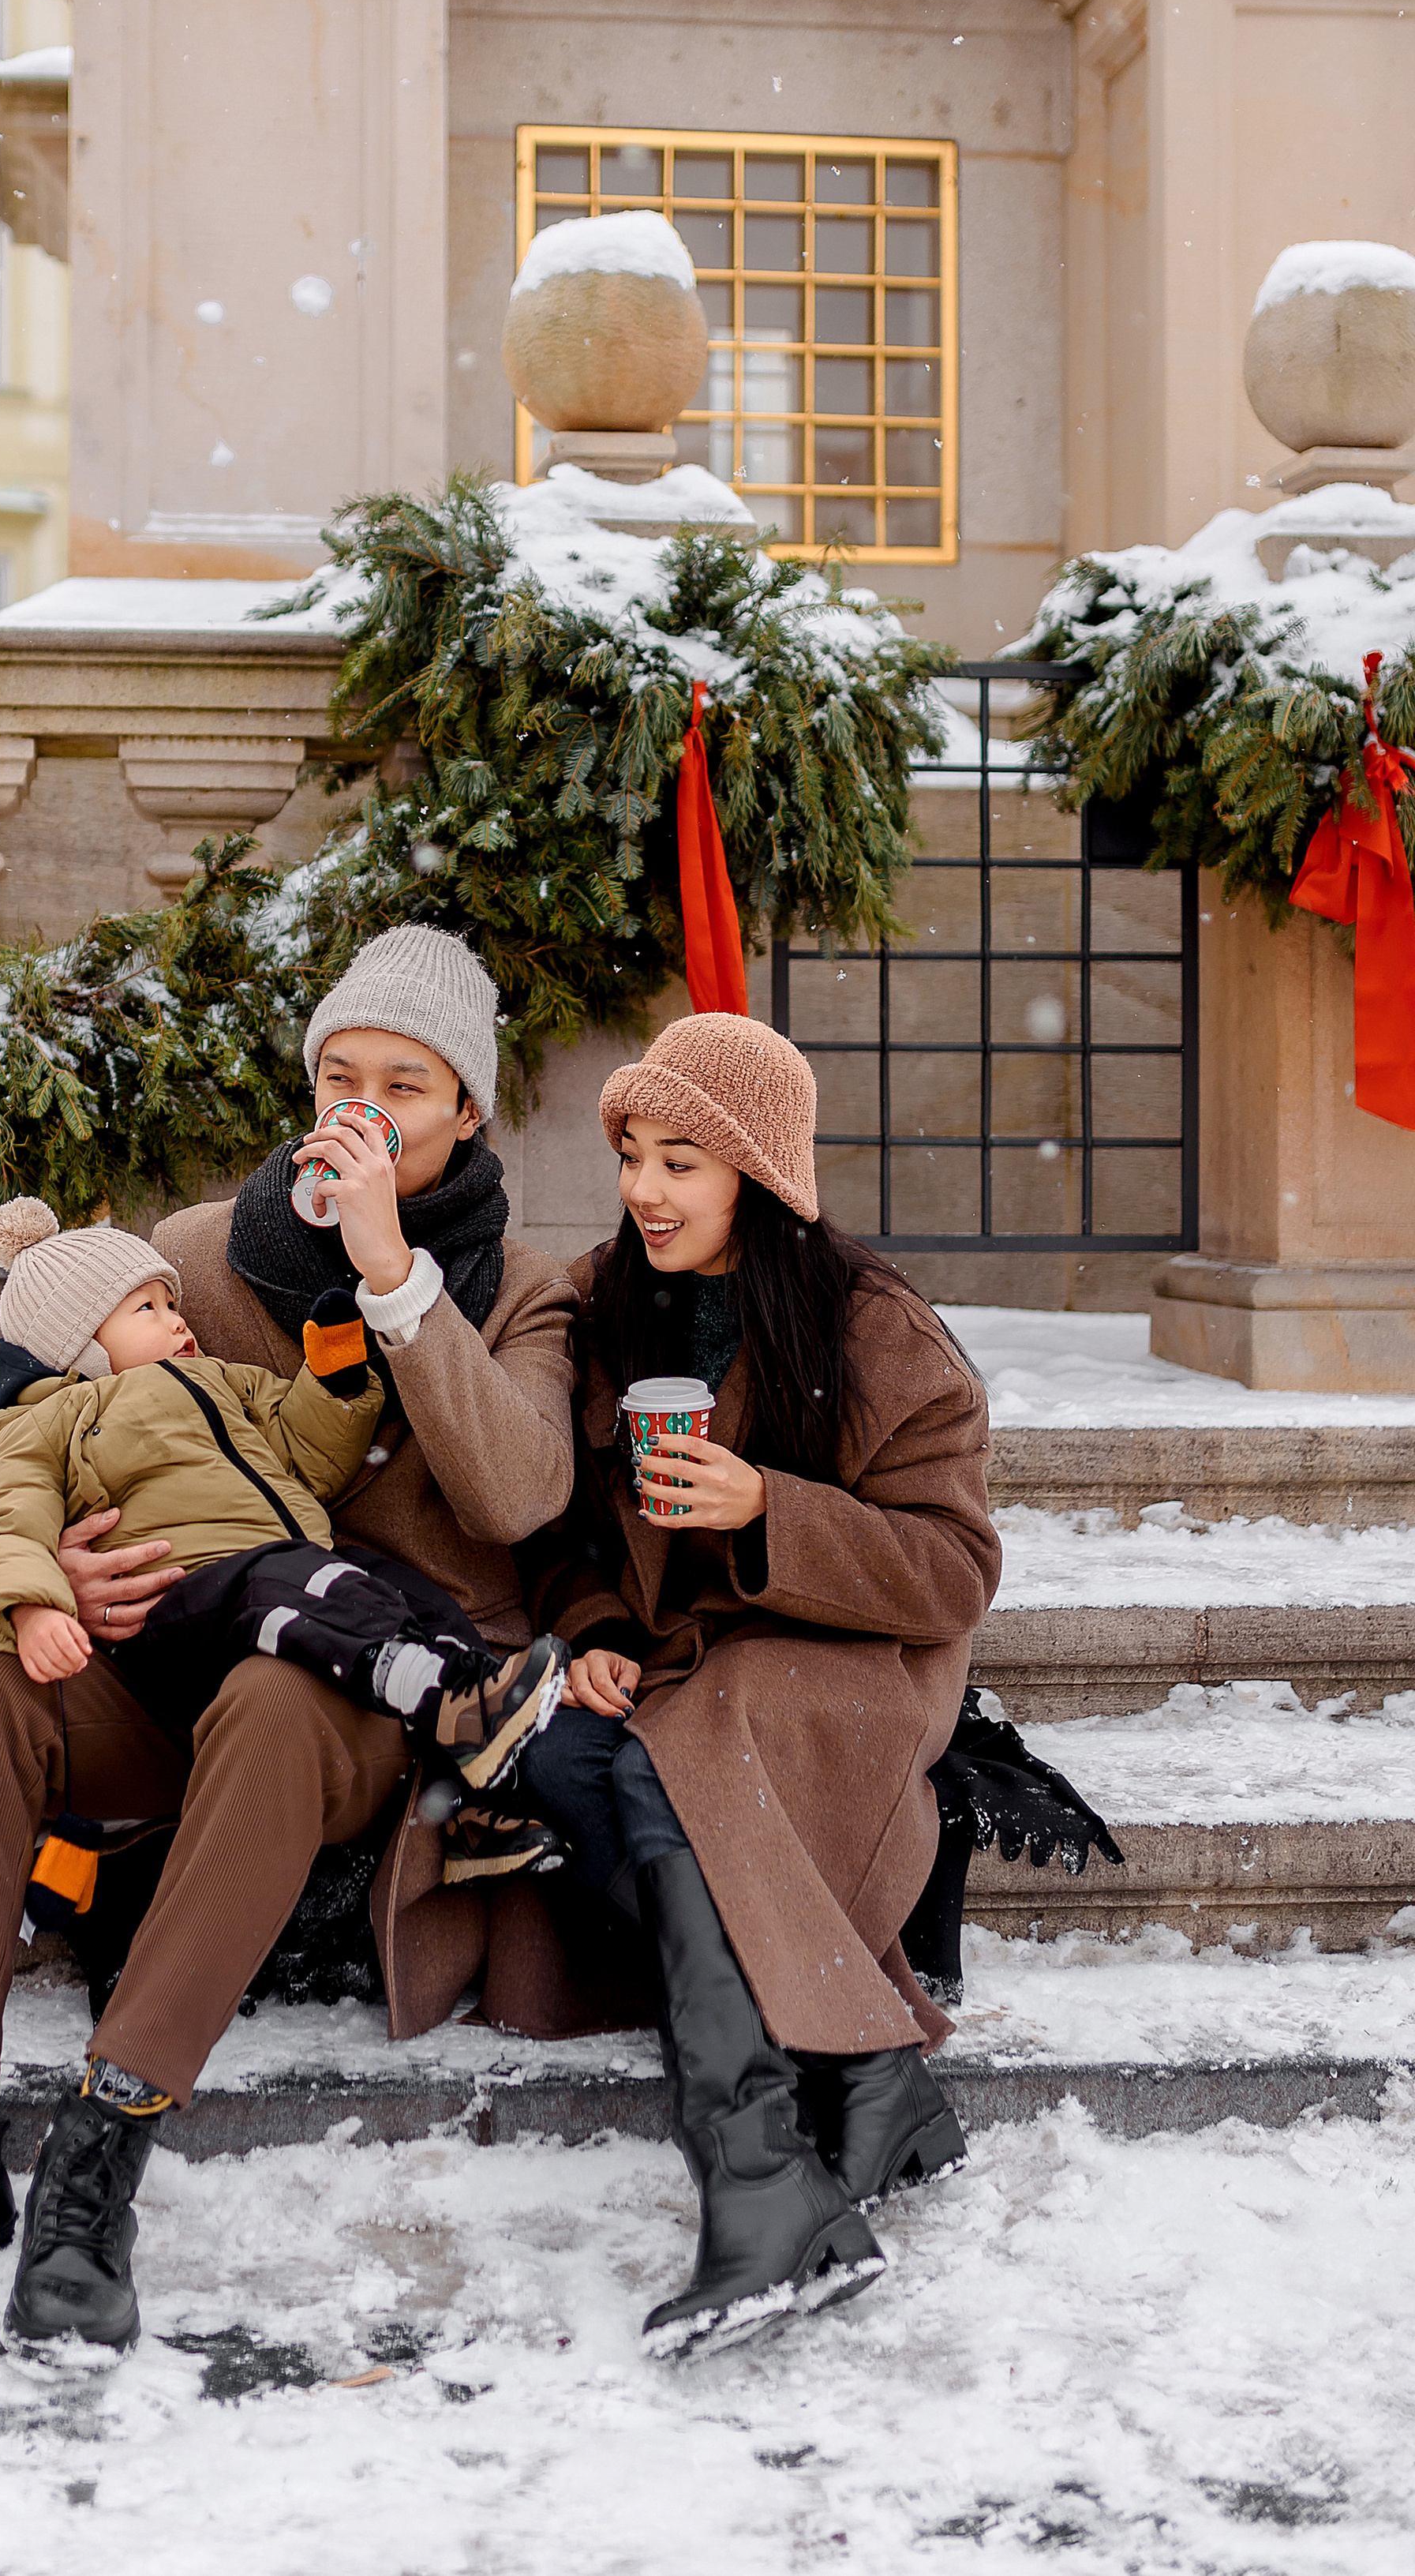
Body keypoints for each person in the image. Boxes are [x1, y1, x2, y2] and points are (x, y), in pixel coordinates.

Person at [0, 925, 578, 2357]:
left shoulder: (524, 1286)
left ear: (464, 1110)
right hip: (168, 1647)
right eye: (338, 1073)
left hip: (370, 1685)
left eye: (403, 1080)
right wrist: (61, 1563)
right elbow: (48, 1428)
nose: (359, 1106)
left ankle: (101, 2142)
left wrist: (391, 1275)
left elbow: (519, 1492)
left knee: (268, 1693)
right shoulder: (194, 1256)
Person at [503, 1010, 1001, 2361]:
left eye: (682, 1161)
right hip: (687, 1668)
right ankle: (872, 2077)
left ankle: (763, 2175)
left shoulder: (875, 1327)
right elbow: (562, 1534)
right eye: (633, 1156)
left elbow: (954, 1569)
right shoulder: (608, 1302)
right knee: (576, 1754)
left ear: (762, 1176)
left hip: (856, 1665)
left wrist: (767, 1504)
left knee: (679, 1754)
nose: (644, 1190)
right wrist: (598, 1617)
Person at [0, 1208, 567, 1791]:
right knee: (281, 1578)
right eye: (147, 1308)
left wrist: (331, 1381)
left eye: (174, 1303)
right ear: (80, 1345)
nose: (176, 1320)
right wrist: (32, 1609)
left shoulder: (221, 1381)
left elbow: (305, 1454)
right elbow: (4, 1524)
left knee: (400, 1586)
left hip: (277, 1573)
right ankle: (410, 1680)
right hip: (180, 1603)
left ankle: (477, 1703)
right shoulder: (49, 1423)